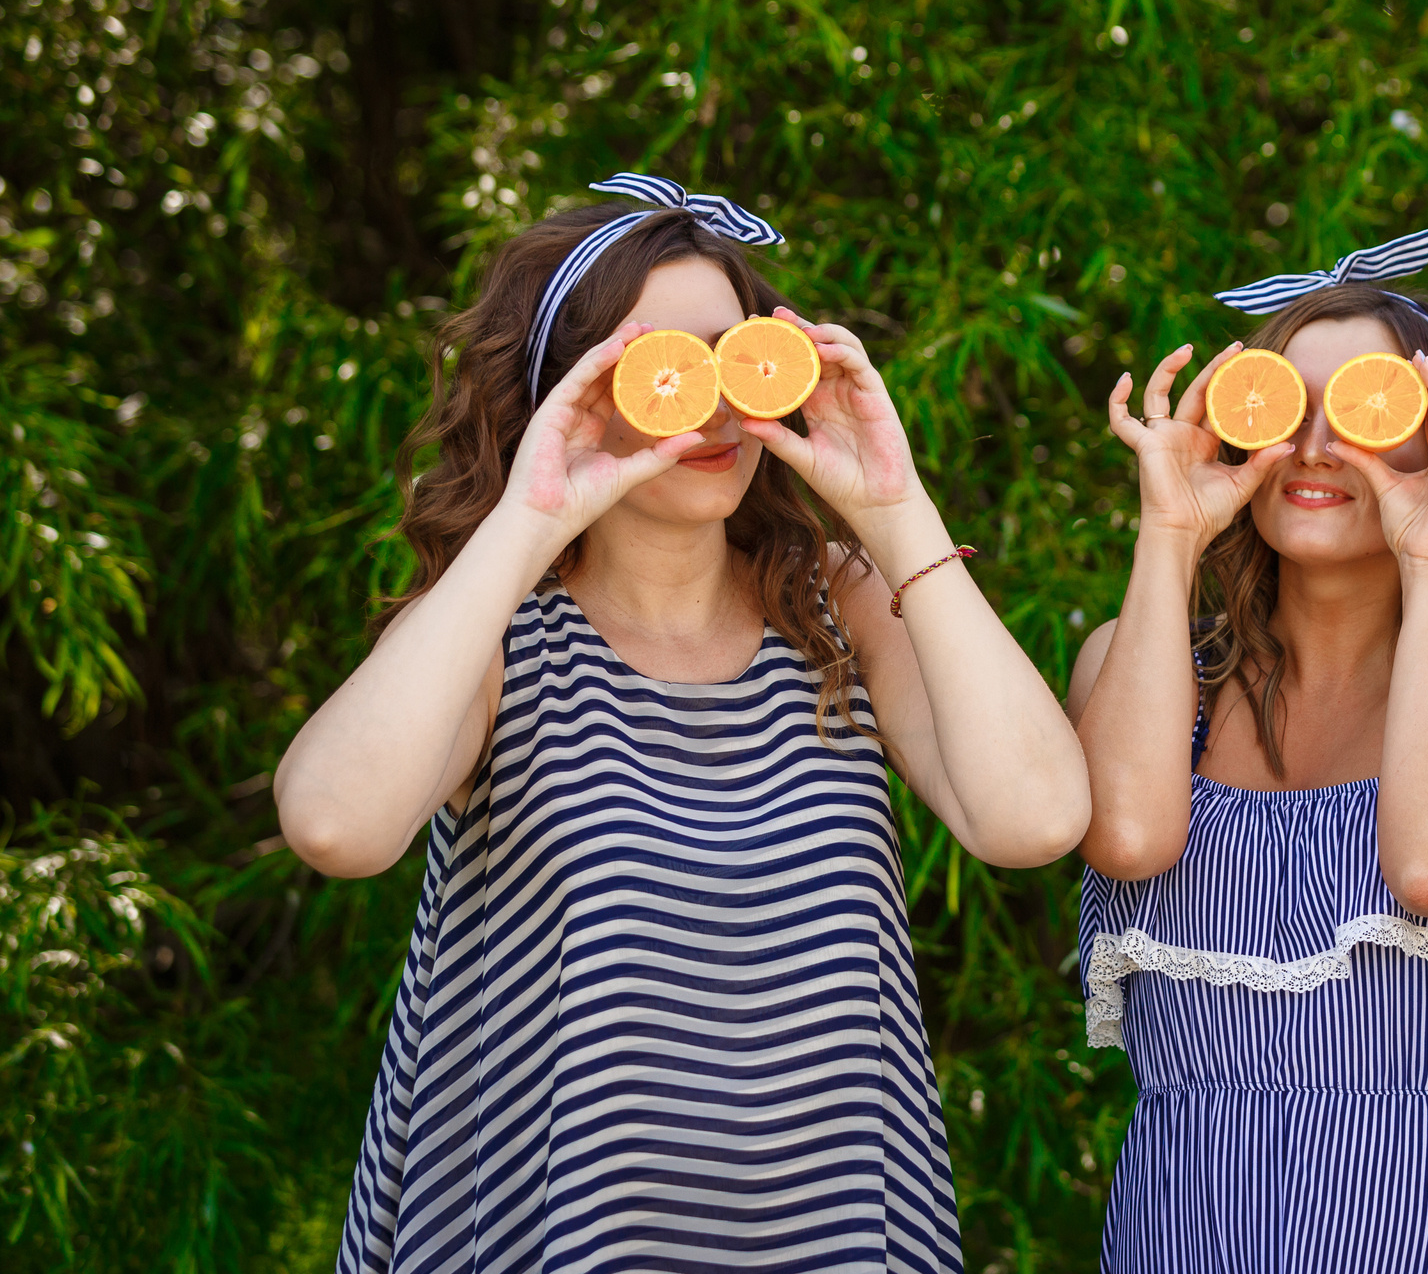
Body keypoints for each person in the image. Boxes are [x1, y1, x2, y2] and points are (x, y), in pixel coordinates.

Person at [276, 174, 1089, 1273]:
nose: (709, 404)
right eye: (656, 365)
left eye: (732, 356)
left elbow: (1035, 819)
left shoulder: (840, 602)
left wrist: (896, 511)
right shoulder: (493, 631)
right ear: (563, 394)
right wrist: (527, 519)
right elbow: (335, 824)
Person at [1069, 229, 1428, 1271]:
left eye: (1365, 412)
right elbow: (1126, 838)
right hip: (1188, 1222)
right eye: (1280, 408)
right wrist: (1169, 534)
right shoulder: (1144, 662)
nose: (1313, 447)